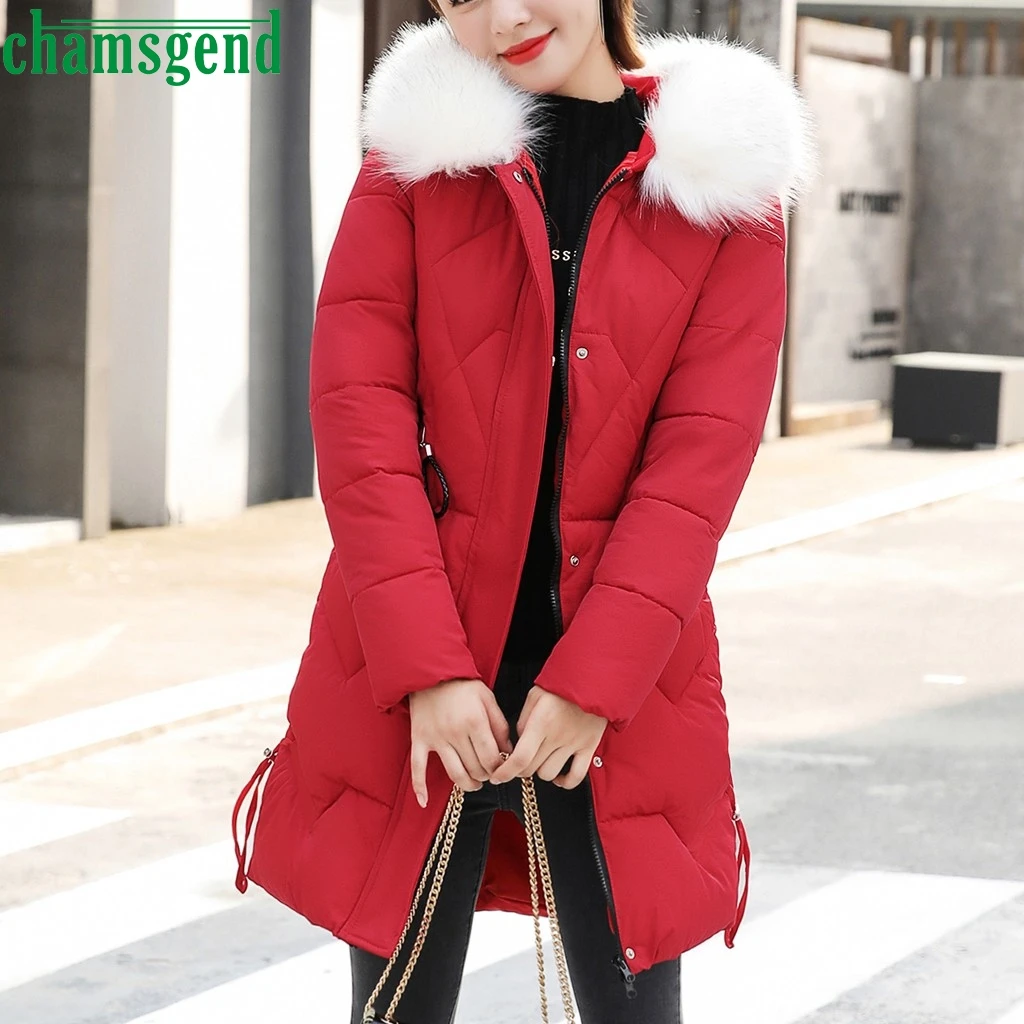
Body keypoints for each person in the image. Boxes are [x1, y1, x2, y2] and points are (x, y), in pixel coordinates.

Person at [231, 2, 818, 1022]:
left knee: (634, 1005)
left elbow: (697, 467)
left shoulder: (724, 180)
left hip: (621, 687)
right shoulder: (417, 160)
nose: (503, 17)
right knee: (398, 1005)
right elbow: (361, 422)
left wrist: (595, 683)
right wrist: (427, 670)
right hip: (425, 673)